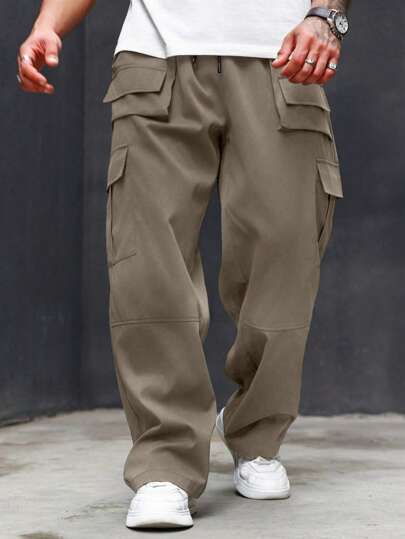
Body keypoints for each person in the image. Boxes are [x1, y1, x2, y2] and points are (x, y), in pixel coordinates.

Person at [18, 0, 350, 530]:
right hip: (157, 57)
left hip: (284, 56)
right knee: (148, 263)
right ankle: (164, 463)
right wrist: (47, 24)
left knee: (285, 259)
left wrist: (326, 18)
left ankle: (257, 433)